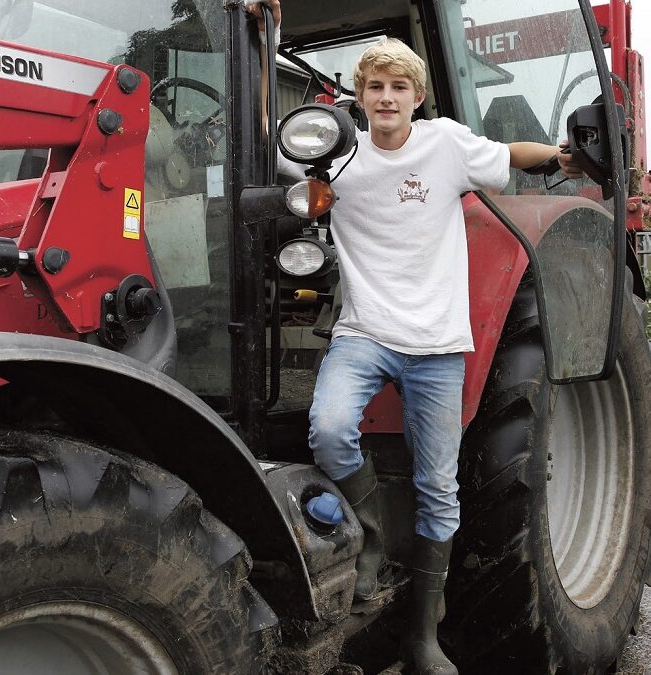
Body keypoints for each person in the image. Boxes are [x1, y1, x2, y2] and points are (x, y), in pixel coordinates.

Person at [248, 3, 581, 674]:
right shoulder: (339, 161)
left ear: (417, 96)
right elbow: (267, 137)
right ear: (360, 97)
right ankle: (371, 540)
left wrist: (559, 156)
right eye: (375, 87)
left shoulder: (447, 144)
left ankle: (424, 636)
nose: (387, 98)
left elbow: (505, 156)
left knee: (438, 485)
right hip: (365, 332)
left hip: (435, 342)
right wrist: (261, 38)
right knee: (330, 427)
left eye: (399, 87)